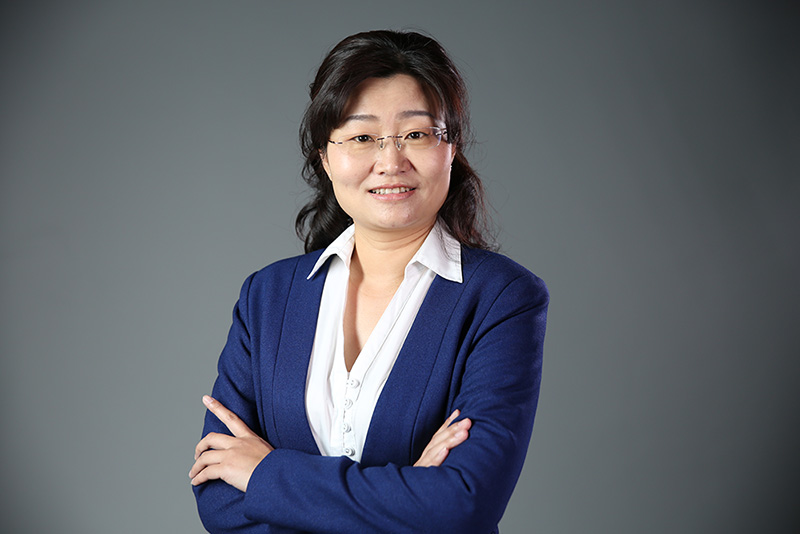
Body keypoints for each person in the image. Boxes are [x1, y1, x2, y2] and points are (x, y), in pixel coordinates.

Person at [189, 29, 548, 533]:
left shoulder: (502, 298)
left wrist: (265, 474)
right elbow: (219, 499)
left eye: (417, 134)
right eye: (362, 138)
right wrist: (408, 494)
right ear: (324, 156)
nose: (391, 161)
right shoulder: (266, 297)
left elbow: (463, 504)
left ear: (451, 148)